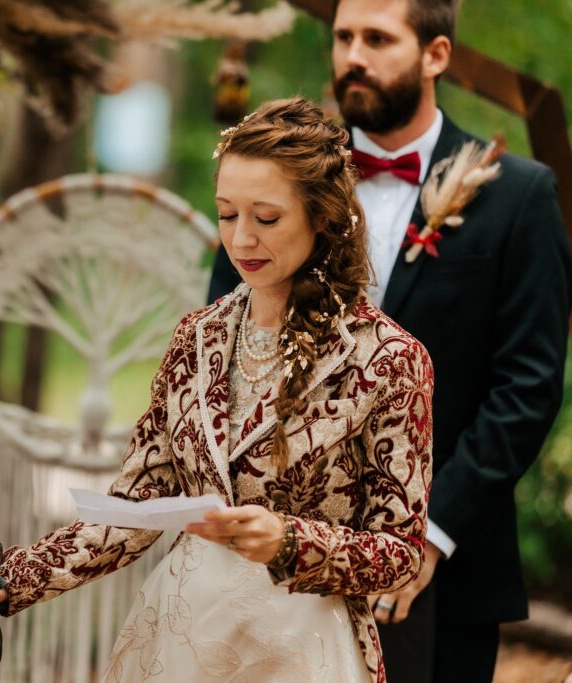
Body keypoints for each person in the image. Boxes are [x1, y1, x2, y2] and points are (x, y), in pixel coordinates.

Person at [0, 97, 434, 683]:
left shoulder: (388, 360)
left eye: (266, 218)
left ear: (323, 217)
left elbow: (400, 553)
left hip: (304, 651)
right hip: (182, 637)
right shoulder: (195, 338)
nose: (242, 238)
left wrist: (290, 541)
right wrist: (2, 581)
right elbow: (132, 511)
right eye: (227, 215)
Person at [208, 2, 572, 682]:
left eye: (377, 39)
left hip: (443, 572)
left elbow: (527, 386)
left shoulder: (519, 197)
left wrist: (428, 533)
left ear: (436, 55)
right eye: (344, 37)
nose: (353, 56)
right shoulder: (272, 182)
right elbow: (222, 347)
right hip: (273, 560)